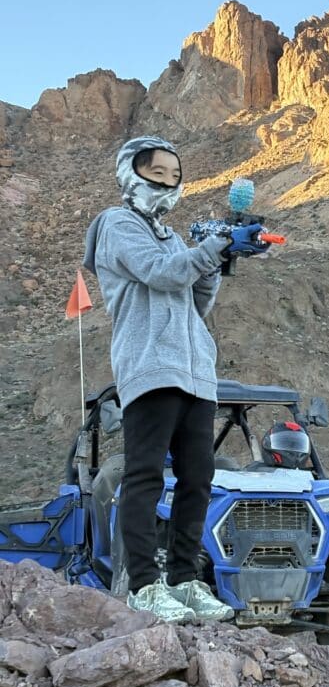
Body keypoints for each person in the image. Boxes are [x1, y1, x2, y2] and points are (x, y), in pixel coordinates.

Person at [83, 135, 268, 622]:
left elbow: (194, 300)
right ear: (131, 173)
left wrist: (220, 258)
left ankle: (185, 581)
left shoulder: (172, 235)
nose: (166, 182)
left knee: (198, 480)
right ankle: (143, 585)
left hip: (195, 372)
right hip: (150, 366)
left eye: (173, 175)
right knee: (144, 478)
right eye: (156, 173)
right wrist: (211, 247)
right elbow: (160, 274)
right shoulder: (116, 225)